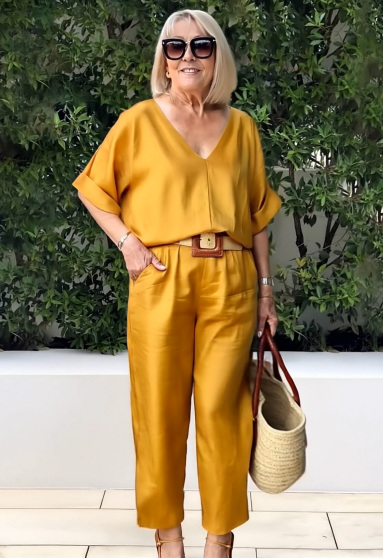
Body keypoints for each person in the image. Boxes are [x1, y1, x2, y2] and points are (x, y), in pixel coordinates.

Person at [73, 8, 281, 558]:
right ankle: (169, 538)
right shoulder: (139, 121)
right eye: (175, 46)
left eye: (201, 45)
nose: (188, 55)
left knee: (223, 411)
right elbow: (93, 189)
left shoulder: (243, 128)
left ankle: (220, 539)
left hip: (232, 280)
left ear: (218, 58)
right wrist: (127, 242)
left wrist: (266, 291)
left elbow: (258, 217)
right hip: (161, 276)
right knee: (160, 412)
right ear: (163, 60)